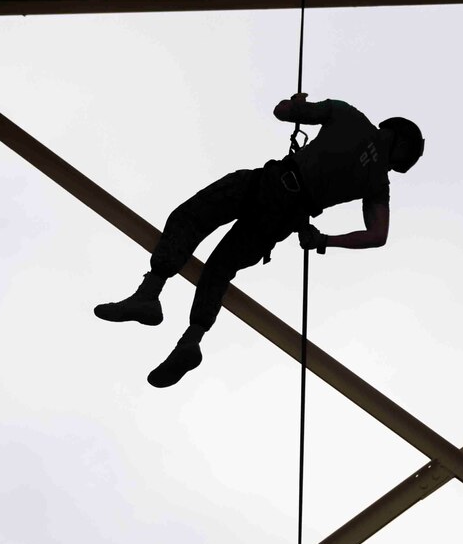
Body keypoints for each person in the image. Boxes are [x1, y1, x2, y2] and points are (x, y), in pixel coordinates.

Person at [94, 94, 424, 387]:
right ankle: (190, 342)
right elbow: (378, 236)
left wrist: (296, 105)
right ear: (403, 148)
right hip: (282, 219)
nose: (393, 168)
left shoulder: (348, 115)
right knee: (220, 268)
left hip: (267, 184)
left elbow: (282, 112)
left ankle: (149, 294)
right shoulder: (378, 185)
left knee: (191, 217)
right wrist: (323, 239)